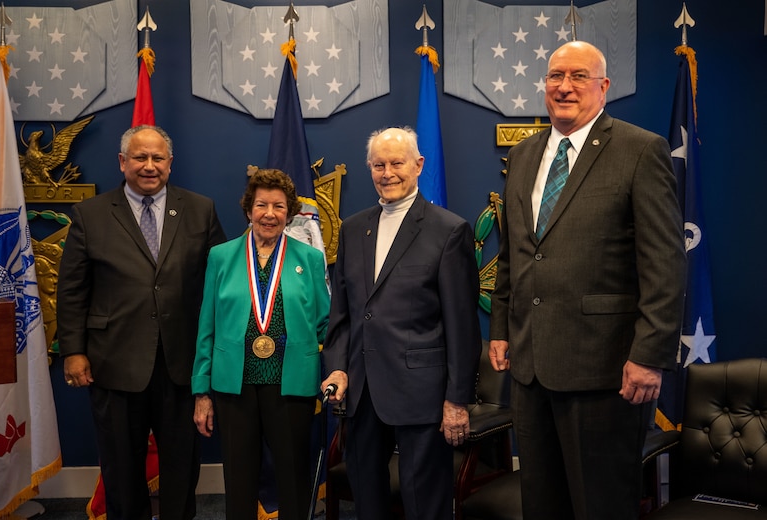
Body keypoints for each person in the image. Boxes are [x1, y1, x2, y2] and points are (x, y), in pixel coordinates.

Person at [488, 41, 687, 519]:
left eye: (578, 76)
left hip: (606, 369)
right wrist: (499, 328)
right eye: (556, 76)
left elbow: (664, 263)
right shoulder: (523, 156)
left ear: (604, 87)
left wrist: (648, 356)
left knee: (600, 505)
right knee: (542, 503)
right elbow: (515, 253)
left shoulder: (641, 150)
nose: (564, 86)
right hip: (531, 368)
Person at [57, 125, 226, 520]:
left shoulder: (200, 209)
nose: (149, 166)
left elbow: (220, 282)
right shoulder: (90, 214)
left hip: (181, 363)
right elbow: (72, 289)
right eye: (139, 158)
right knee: (120, 467)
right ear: (122, 162)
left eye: (157, 158)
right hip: (113, 362)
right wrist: (74, 351)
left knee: (182, 466)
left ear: (170, 163)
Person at [320, 126, 481, 520]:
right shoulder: (353, 228)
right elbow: (342, 314)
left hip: (422, 394)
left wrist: (456, 399)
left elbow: (462, 325)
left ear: (418, 165)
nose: (387, 172)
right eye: (378, 164)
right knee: (368, 501)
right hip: (360, 391)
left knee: (425, 502)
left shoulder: (449, 230)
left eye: (396, 163)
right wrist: (337, 367)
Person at [191, 168, 330, 520]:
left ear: (290, 212)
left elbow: (326, 325)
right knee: (239, 477)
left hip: (292, 384)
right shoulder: (221, 256)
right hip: (233, 385)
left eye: (279, 206)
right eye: (261, 205)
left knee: (292, 476)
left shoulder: (310, 259)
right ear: (248, 208)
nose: (270, 213)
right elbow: (207, 325)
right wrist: (202, 393)